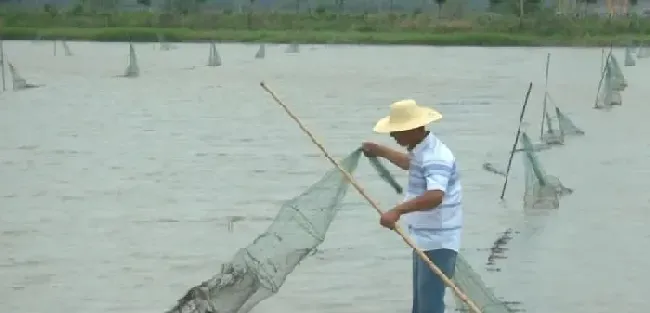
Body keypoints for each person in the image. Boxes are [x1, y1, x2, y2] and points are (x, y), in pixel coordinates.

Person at [362, 99, 462, 313]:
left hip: (438, 242)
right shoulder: (422, 149)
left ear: (415, 128)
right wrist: (380, 150)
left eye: (397, 131)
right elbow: (410, 163)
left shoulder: (437, 156)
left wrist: (397, 211)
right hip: (424, 239)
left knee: (430, 305)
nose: (393, 135)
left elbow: (435, 196)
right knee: (421, 304)